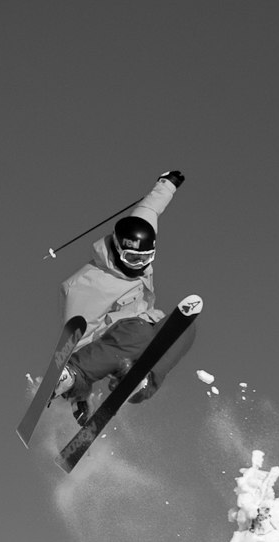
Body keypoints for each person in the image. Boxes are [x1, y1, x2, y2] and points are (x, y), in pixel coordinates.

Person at [53, 171, 196, 420]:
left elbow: (150, 208)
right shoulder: (87, 285)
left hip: (141, 327)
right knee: (138, 332)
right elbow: (77, 337)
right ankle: (75, 376)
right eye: (132, 258)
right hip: (107, 344)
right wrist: (77, 389)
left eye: (146, 258)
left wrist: (167, 184)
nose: (139, 265)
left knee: (185, 328)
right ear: (119, 249)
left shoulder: (140, 234)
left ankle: (143, 380)